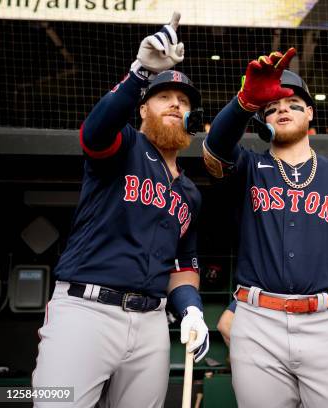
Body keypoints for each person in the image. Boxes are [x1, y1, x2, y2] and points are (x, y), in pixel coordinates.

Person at [202, 48, 328, 407]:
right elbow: (215, 149)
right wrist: (245, 102)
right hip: (258, 322)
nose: (282, 109)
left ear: (310, 113)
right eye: (272, 106)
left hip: (325, 323)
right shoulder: (247, 167)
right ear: (262, 121)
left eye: (293, 103)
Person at [32, 13, 209, 407]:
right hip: (85, 311)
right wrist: (140, 75)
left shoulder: (190, 194)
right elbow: (94, 132)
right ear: (143, 109)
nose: (175, 105)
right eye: (164, 97)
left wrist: (192, 311)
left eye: (183, 103)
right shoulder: (124, 145)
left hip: (151, 323)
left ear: (191, 121)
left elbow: (182, 265)